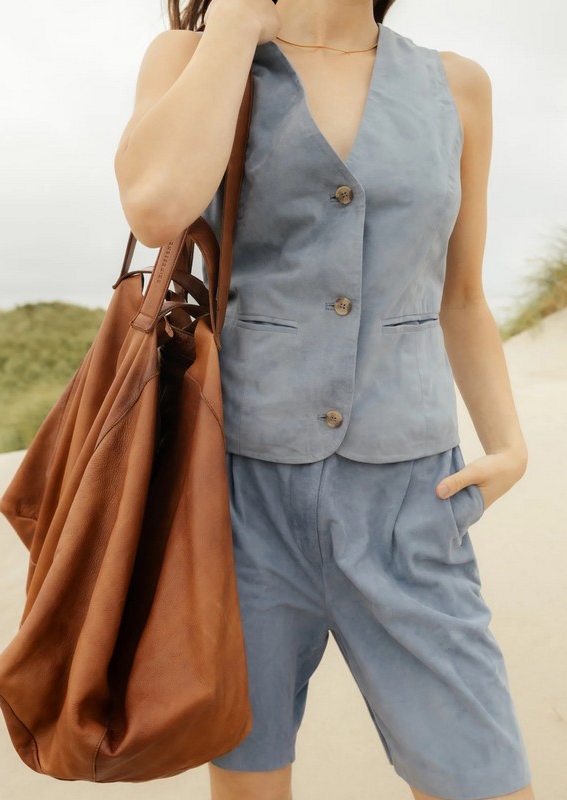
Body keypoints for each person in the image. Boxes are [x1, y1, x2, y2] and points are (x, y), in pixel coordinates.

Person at [114, 1, 536, 798]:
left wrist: (508, 442)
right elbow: (155, 206)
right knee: (251, 777)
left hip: (411, 502)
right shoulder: (189, 57)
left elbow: (464, 295)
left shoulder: (458, 86)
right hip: (240, 501)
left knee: (484, 778)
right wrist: (236, 27)